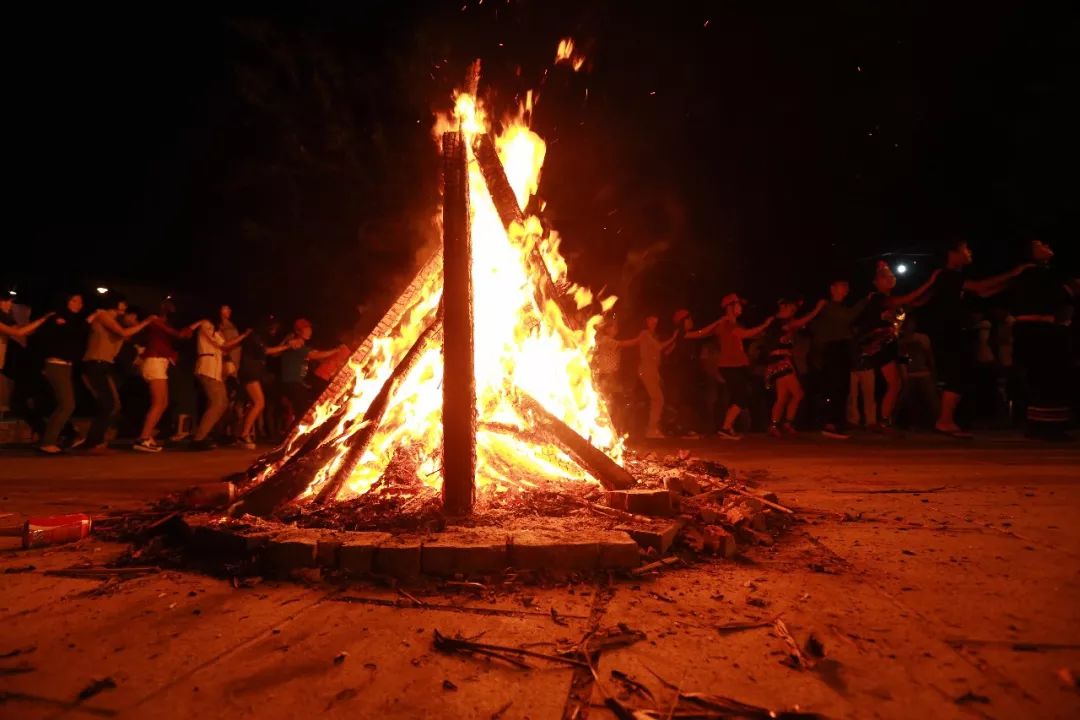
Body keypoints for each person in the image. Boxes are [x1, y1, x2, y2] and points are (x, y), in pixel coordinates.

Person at [923, 238, 1032, 438]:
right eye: (965, 249)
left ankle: (949, 419)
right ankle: (944, 421)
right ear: (953, 253)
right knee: (955, 375)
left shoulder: (954, 276)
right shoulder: (947, 275)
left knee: (960, 374)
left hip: (952, 330)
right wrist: (1013, 273)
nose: (970, 252)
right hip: (947, 331)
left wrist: (1013, 281)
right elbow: (980, 287)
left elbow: (984, 292)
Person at [851, 261, 940, 433]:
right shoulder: (878, 298)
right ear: (876, 282)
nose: (890, 278)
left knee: (897, 384)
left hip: (890, 345)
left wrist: (936, 288)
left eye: (891, 276)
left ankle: (885, 420)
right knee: (894, 383)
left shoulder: (892, 300)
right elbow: (908, 299)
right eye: (885, 276)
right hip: (879, 345)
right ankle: (883, 421)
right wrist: (929, 282)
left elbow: (916, 302)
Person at [1011, 239, 1074, 439]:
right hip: (1032, 329)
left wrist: (1064, 322)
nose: (1046, 247)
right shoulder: (1023, 274)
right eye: (1039, 245)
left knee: (1052, 376)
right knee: (1037, 375)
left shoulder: (1053, 274)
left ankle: (1052, 425)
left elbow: (1068, 299)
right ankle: (1039, 425)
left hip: (1049, 329)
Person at [688, 294, 774, 439]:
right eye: (738, 304)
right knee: (741, 397)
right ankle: (725, 428)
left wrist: (761, 331)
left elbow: (747, 334)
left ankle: (727, 427)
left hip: (737, 365)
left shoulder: (733, 323)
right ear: (730, 307)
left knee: (737, 397)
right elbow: (743, 334)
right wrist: (764, 325)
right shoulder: (726, 323)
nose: (741, 308)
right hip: (730, 366)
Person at [82, 296, 156, 454]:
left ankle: (95, 441)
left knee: (112, 404)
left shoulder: (115, 322)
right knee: (108, 404)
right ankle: (92, 443)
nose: (123, 310)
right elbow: (123, 332)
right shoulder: (103, 315)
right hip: (95, 363)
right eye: (121, 307)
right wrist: (145, 322)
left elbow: (126, 335)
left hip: (104, 365)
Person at [809, 279, 868, 439]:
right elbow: (848, 317)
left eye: (847, 288)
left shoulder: (841, 308)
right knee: (834, 386)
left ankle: (836, 422)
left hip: (841, 349)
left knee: (842, 387)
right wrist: (864, 301)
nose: (846, 290)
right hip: (832, 349)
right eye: (842, 287)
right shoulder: (828, 306)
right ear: (832, 289)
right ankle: (830, 423)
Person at [762, 298, 826, 437]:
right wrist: (817, 309)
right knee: (798, 394)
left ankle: (778, 425)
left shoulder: (781, 322)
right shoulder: (777, 322)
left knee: (783, 397)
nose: (793, 312)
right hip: (779, 363)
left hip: (782, 362)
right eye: (791, 308)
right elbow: (799, 322)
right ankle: (783, 424)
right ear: (783, 306)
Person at [133, 299, 192, 452]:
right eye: (168, 305)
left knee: (163, 403)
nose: (171, 308)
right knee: (158, 402)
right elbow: (177, 334)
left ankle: (146, 436)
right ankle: (143, 438)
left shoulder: (164, 324)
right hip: (154, 361)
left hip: (159, 362)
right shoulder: (155, 320)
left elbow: (177, 336)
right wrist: (191, 328)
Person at [34, 293, 88, 453]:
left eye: (81, 302)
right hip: (56, 364)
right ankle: (48, 442)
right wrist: (89, 321)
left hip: (66, 366)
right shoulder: (58, 318)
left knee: (65, 404)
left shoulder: (73, 320)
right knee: (67, 404)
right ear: (66, 301)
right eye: (74, 300)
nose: (79, 304)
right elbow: (71, 333)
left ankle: (57, 438)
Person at [189, 317, 250, 450]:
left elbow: (225, 346)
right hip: (207, 369)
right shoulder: (206, 324)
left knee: (222, 403)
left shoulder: (215, 330)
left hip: (215, 372)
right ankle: (199, 438)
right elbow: (224, 345)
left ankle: (208, 434)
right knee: (217, 403)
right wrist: (244, 335)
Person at [236, 317, 296, 450]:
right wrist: (288, 345)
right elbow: (267, 351)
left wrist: (285, 342)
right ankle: (243, 435)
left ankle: (243, 434)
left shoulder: (259, 338)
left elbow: (273, 353)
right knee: (259, 403)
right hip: (249, 372)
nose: (274, 331)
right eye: (273, 328)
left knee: (255, 404)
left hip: (252, 373)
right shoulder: (254, 336)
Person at [613, 315, 677, 439]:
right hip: (646, 370)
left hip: (653, 370)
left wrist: (673, 343)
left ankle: (652, 428)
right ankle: (651, 429)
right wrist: (673, 338)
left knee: (656, 399)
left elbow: (659, 351)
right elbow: (658, 347)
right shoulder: (645, 333)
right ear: (646, 321)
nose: (654, 322)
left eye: (655, 319)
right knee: (658, 399)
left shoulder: (653, 336)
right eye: (651, 319)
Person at [278, 318, 342, 422]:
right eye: (306, 329)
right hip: (292, 383)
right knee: (303, 412)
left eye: (309, 328)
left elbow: (317, 354)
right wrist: (336, 350)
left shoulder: (301, 345)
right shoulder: (296, 344)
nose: (309, 331)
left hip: (297, 382)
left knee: (305, 408)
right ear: (298, 331)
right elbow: (315, 355)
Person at [897, 316, 938, 428]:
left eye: (911, 323)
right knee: (909, 401)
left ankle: (937, 422)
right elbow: (902, 359)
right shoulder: (901, 341)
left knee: (932, 400)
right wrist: (903, 373)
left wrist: (932, 370)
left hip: (923, 373)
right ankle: (913, 423)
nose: (910, 326)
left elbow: (929, 355)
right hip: (909, 374)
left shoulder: (922, 338)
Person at [0, 297, 53, 377]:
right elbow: (18, 332)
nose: (10, 304)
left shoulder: (6, 319)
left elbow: (25, 331)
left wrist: (44, 323)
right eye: (5, 301)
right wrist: (43, 319)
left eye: (11, 301)